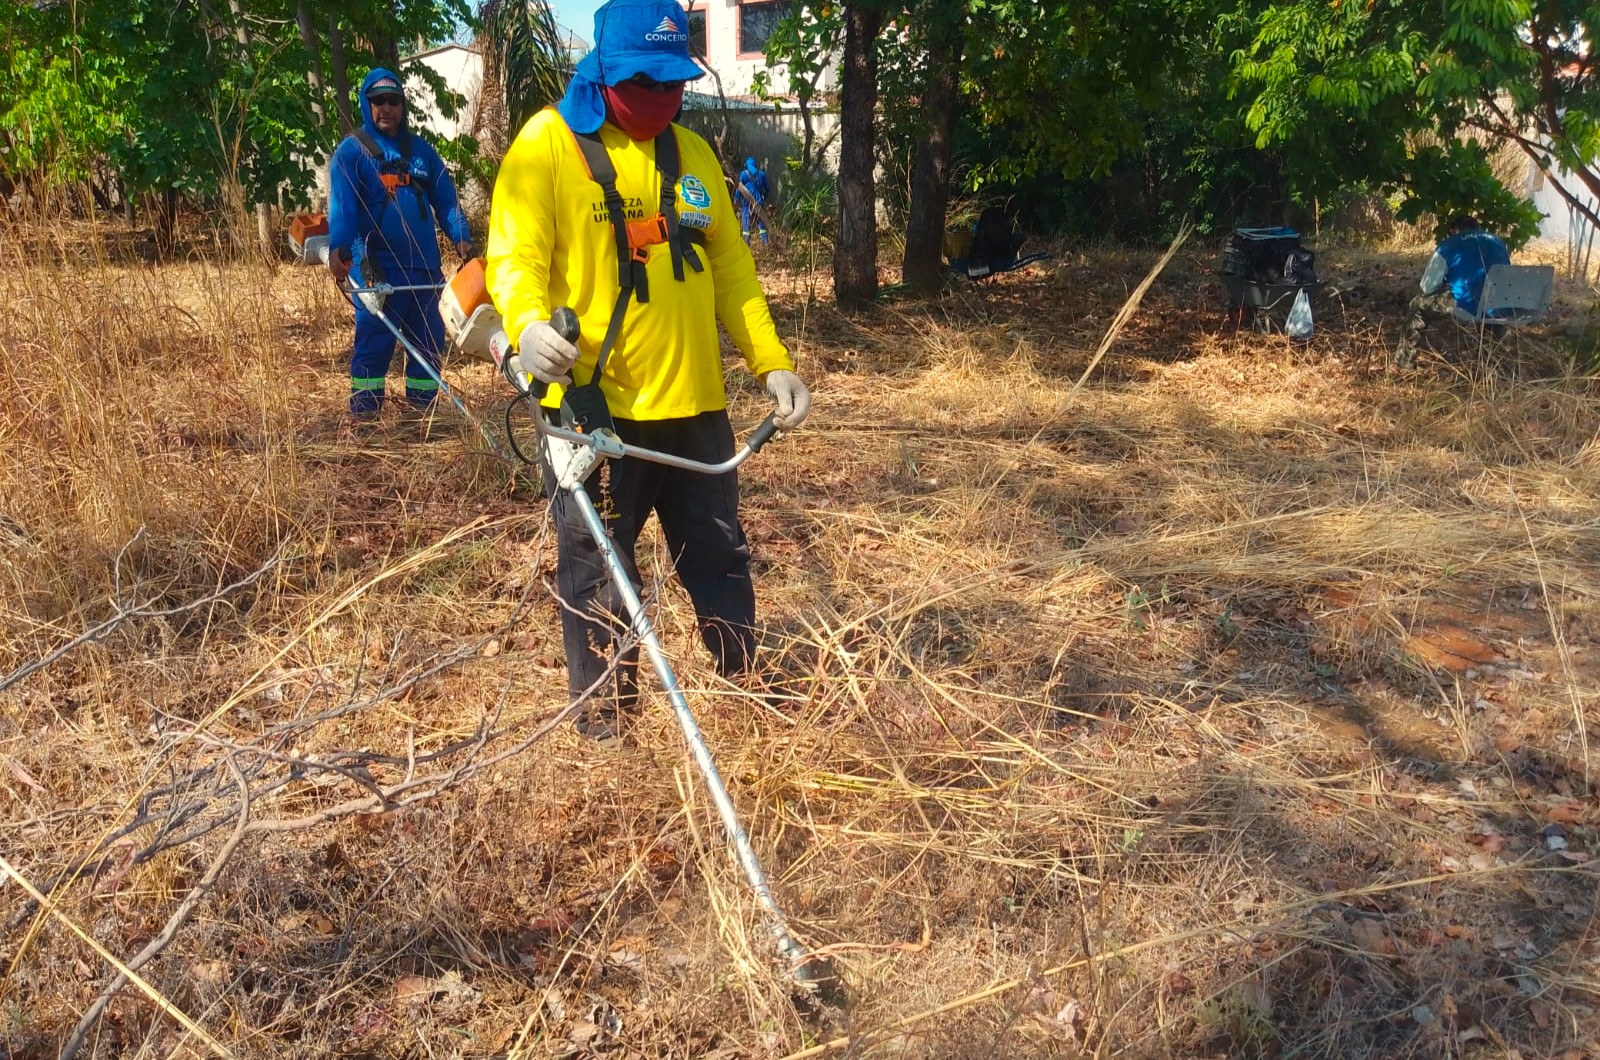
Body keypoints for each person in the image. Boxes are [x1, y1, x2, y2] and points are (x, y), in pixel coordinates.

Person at [485, 0, 812, 747]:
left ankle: (745, 688)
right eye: (645, 82)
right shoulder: (547, 145)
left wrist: (772, 363)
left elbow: (732, 270)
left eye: (673, 83)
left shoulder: (693, 155)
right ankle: (607, 733)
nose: (662, 97)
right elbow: (514, 258)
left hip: (696, 408)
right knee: (600, 578)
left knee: (721, 556)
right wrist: (528, 326)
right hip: (596, 417)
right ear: (603, 72)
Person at [327, 68, 475, 420]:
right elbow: (344, 209)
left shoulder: (422, 152)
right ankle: (365, 422)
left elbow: (447, 202)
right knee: (373, 347)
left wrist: (463, 241)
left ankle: (421, 421)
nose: (386, 108)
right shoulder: (351, 153)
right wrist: (339, 248)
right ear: (366, 105)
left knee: (428, 344)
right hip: (378, 272)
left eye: (393, 101)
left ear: (402, 105)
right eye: (378, 101)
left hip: (425, 272)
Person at [1394, 215, 1510, 368]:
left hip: (1467, 303)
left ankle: (1404, 361)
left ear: (1455, 230)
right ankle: (1491, 361)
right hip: (1500, 303)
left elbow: (1427, 287)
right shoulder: (1498, 242)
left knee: (1418, 305)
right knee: (1488, 304)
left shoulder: (1448, 245)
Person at [736, 156, 770, 245]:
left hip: (746, 203)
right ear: (755, 164)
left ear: (747, 165)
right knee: (762, 226)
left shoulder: (743, 174)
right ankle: (765, 244)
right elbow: (767, 189)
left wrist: (737, 199)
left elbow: (738, 188)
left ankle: (746, 245)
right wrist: (764, 198)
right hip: (758, 202)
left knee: (746, 226)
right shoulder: (762, 175)